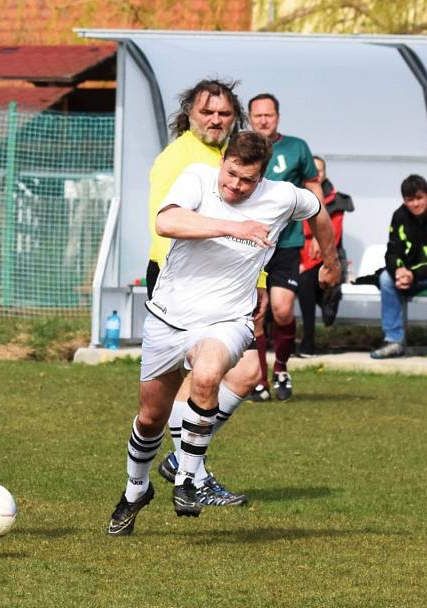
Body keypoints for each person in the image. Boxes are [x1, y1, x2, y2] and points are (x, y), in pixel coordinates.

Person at [107, 131, 340, 535]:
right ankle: (135, 489)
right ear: (223, 163)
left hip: (228, 317)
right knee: (150, 417)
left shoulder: (282, 196)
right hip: (169, 314)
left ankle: (187, 478)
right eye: (230, 174)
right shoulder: (198, 177)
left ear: (261, 177)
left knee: (209, 373)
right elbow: (167, 221)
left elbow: (318, 210)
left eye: (246, 181)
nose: (234, 185)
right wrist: (232, 227)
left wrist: (330, 262)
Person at [145, 78, 264, 507]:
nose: (215, 119)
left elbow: (257, 224)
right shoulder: (179, 159)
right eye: (206, 112)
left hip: (229, 287)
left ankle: (183, 464)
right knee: (197, 382)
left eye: (224, 113)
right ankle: (188, 470)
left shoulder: (232, 161)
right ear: (188, 115)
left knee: (243, 372)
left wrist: (258, 283)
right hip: (181, 285)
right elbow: (165, 225)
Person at [247, 93, 325, 401]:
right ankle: (259, 380)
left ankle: (281, 366)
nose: (264, 120)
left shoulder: (297, 148)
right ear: (250, 118)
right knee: (254, 314)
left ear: (278, 116)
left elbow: (314, 190)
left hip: (287, 243)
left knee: (281, 310)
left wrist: (318, 234)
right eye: (258, 116)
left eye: (269, 115)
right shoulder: (242, 148)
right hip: (251, 245)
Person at [370, 174, 427, 359]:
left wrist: (413, 274)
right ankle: (394, 341)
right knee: (386, 278)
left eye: (419, 198)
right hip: (412, 276)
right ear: (404, 200)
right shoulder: (399, 216)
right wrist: (399, 271)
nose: (415, 204)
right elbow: (392, 252)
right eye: (410, 200)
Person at [297, 155, 354, 357]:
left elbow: (331, 240)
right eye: (313, 170)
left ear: (325, 173)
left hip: (323, 261)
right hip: (297, 257)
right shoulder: (295, 195)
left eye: (319, 170)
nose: (316, 174)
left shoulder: (337, 202)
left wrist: (306, 263)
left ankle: (308, 343)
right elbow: (294, 234)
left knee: (305, 282)